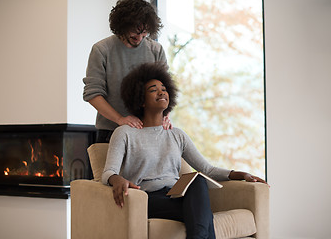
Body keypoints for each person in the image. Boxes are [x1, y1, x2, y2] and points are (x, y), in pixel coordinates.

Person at [102, 62, 268, 239]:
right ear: (141, 100)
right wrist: (117, 179)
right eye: (153, 89)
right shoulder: (125, 133)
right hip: (147, 198)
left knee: (198, 182)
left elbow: (207, 170)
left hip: (176, 196)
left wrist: (241, 174)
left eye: (164, 89)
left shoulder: (177, 135)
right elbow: (108, 172)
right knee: (202, 214)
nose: (161, 92)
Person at [83, 0, 170, 143]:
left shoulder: (156, 49)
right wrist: (120, 119)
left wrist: (165, 116)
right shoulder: (102, 50)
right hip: (110, 132)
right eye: (135, 35)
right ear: (122, 26)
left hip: (149, 131)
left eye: (144, 35)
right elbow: (93, 93)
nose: (139, 39)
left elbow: (166, 90)